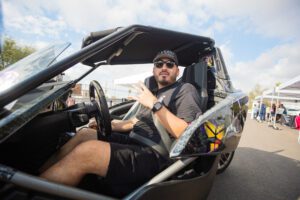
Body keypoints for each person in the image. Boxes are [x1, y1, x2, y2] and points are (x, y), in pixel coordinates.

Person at [40, 50, 202, 196]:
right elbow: (135, 122)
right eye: (159, 64)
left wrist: (155, 104)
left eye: (169, 64)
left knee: (88, 151)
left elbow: (188, 134)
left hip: (155, 154)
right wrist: (111, 124)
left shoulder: (185, 90)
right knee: (85, 135)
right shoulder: (153, 92)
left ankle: (33, 193)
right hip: (134, 141)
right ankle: (37, 178)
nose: (164, 67)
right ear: (154, 70)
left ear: (177, 70)